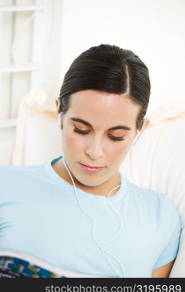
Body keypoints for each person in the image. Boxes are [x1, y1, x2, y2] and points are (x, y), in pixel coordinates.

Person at [0, 44, 181, 278]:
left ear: (139, 130)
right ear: (60, 114)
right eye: (81, 130)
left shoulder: (159, 218)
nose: (95, 152)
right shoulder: (7, 185)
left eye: (116, 136)